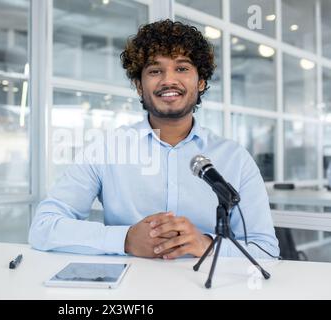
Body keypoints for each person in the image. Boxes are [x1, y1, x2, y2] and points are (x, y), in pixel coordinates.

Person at [29, 19, 279, 259]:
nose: (168, 80)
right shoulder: (106, 149)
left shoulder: (235, 158)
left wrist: (205, 244)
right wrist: (125, 239)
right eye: (155, 70)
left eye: (182, 68)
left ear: (201, 82)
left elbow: (265, 249)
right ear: (139, 85)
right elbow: (43, 227)